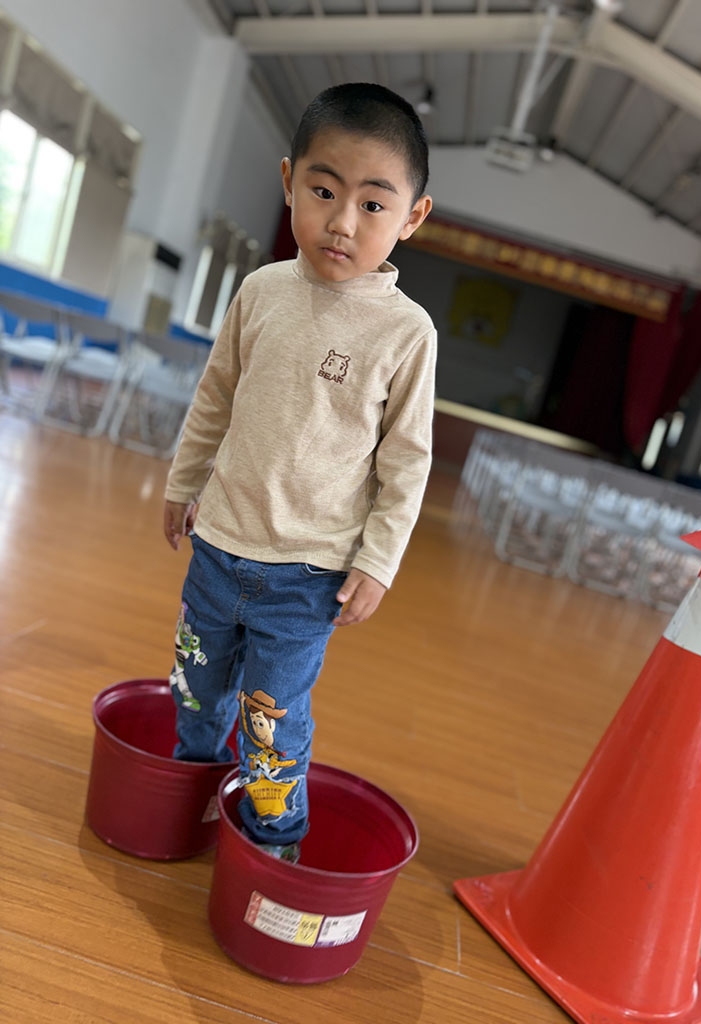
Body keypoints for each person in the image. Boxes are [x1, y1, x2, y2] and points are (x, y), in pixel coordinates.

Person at [162, 82, 436, 862]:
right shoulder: (260, 292)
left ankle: (272, 843)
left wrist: (378, 561)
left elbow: (406, 462)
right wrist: (184, 482)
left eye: (373, 204)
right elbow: (215, 396)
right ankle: (187, 797)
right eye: (323, 191)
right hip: (219, 547)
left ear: (412, 217)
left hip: (308, 576)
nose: (342, 221)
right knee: (195, 689)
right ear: (289, 183)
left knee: (270, 721)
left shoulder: (406, 333)